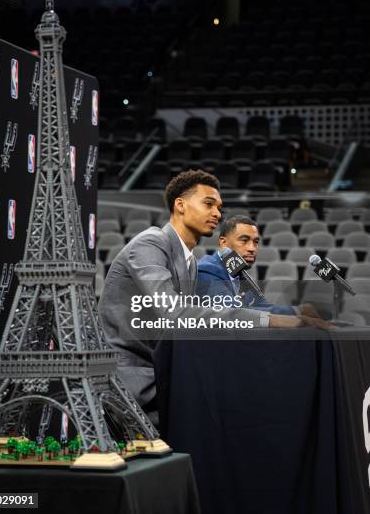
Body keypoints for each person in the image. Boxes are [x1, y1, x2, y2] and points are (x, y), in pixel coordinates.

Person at [98, 170, 306, 415]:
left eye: (219, 207)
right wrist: (269, 320)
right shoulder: (150, 243)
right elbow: (175, 314)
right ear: (181, 205)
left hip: (162, 373)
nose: (217, 213)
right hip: (131, 381)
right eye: (209, 204)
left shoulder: (191, 263)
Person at [196, 215, 320, 319]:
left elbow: (262, 306)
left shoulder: (238, 272)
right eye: (244, 240)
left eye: (255, 242)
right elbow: (232, 313)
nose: (252, 248)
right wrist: (295, 313)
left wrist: (298, 311)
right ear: (223, 243)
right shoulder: (208, 270)